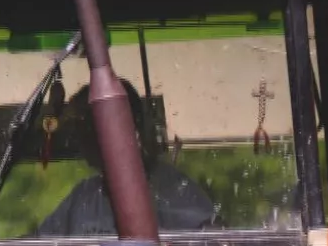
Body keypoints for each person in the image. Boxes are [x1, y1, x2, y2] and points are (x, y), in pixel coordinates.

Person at [37, 79, 220, 237]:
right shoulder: (83, 196)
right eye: (79, 131)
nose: (81, 141)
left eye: (88, 130)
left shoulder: (174, 190)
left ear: (125, 129)